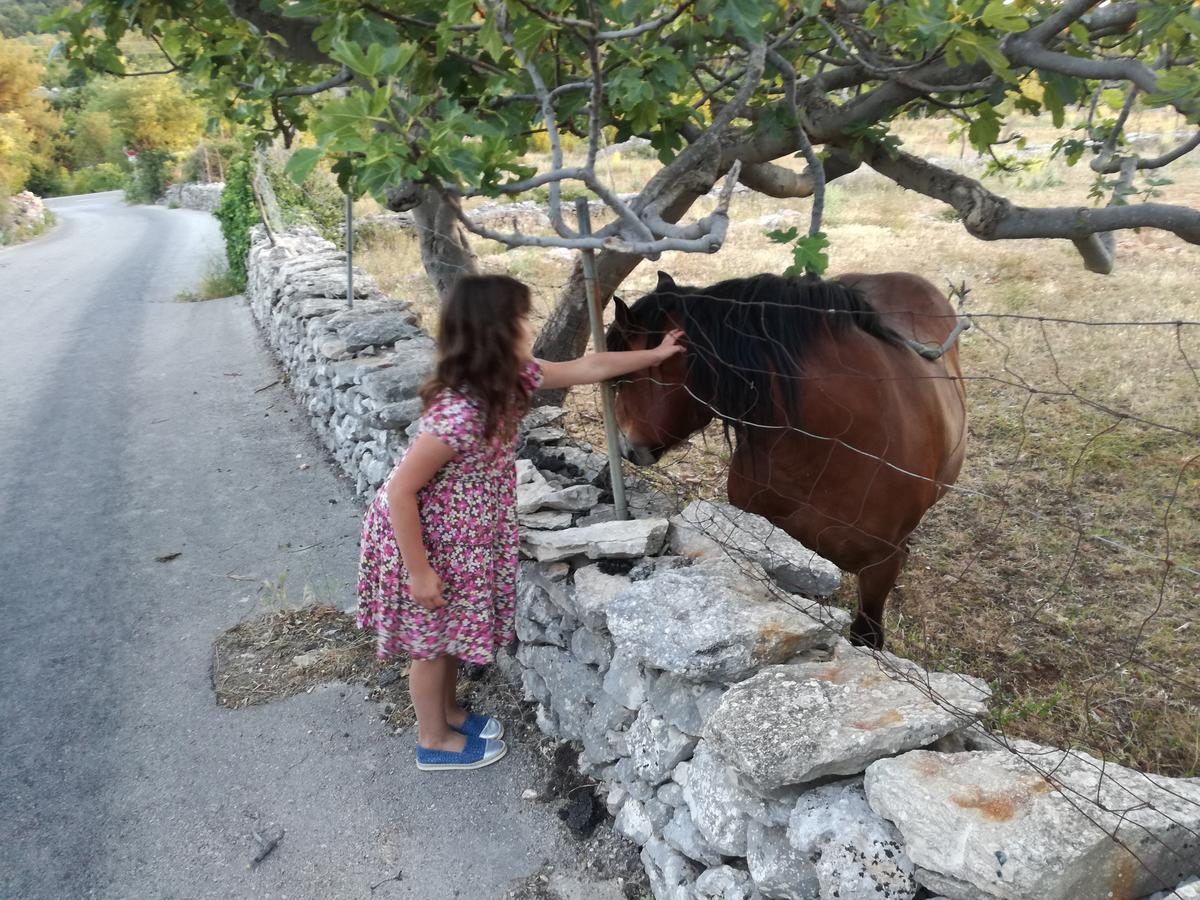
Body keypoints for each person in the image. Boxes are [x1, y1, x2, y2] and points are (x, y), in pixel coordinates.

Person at [356, 274, 685, 772]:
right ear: (493, 331)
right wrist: (418, 571)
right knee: (428, 645)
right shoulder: (461, 411)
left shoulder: (516, 375)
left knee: (444, 634)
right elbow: (402, 490)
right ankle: (432, 740)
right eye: (519, 320)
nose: (527, 328)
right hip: (424, 539)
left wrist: (655, 355)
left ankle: (446, 713)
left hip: (460, 536)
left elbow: (589, 366)